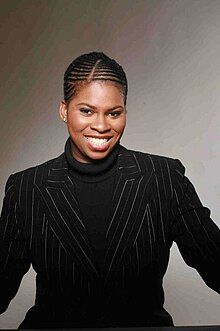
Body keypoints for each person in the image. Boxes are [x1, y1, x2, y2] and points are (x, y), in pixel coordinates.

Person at [0, 52, 219, 329]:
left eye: (113, 113)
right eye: (87, 111)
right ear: (64, 110)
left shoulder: (163, 178)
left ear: (125, 111)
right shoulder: (26, 188)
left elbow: (215, 262)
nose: (101, 126)